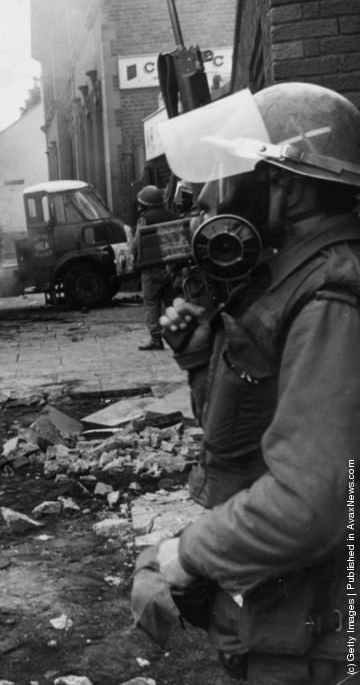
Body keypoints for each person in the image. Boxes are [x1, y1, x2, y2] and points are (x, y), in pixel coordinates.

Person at [133, 82, 360, 684]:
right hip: (286, 610)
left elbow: (312, 503)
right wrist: (201, 357)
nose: (214, 196)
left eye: (233, 173)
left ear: (282, 183)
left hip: (318, 629)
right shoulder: (292, 279)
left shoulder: (330, 297)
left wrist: (189, 553)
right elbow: (242, 439)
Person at [130, 185, 178, 350]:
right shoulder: (172, 215)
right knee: (170, 303)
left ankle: (156, 339)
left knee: (151, 302)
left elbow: (137, 242)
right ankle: (179, 337)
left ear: (146, 204)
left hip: (151, 267)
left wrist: (130, 252)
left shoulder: (145, 219)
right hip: (171, 266)